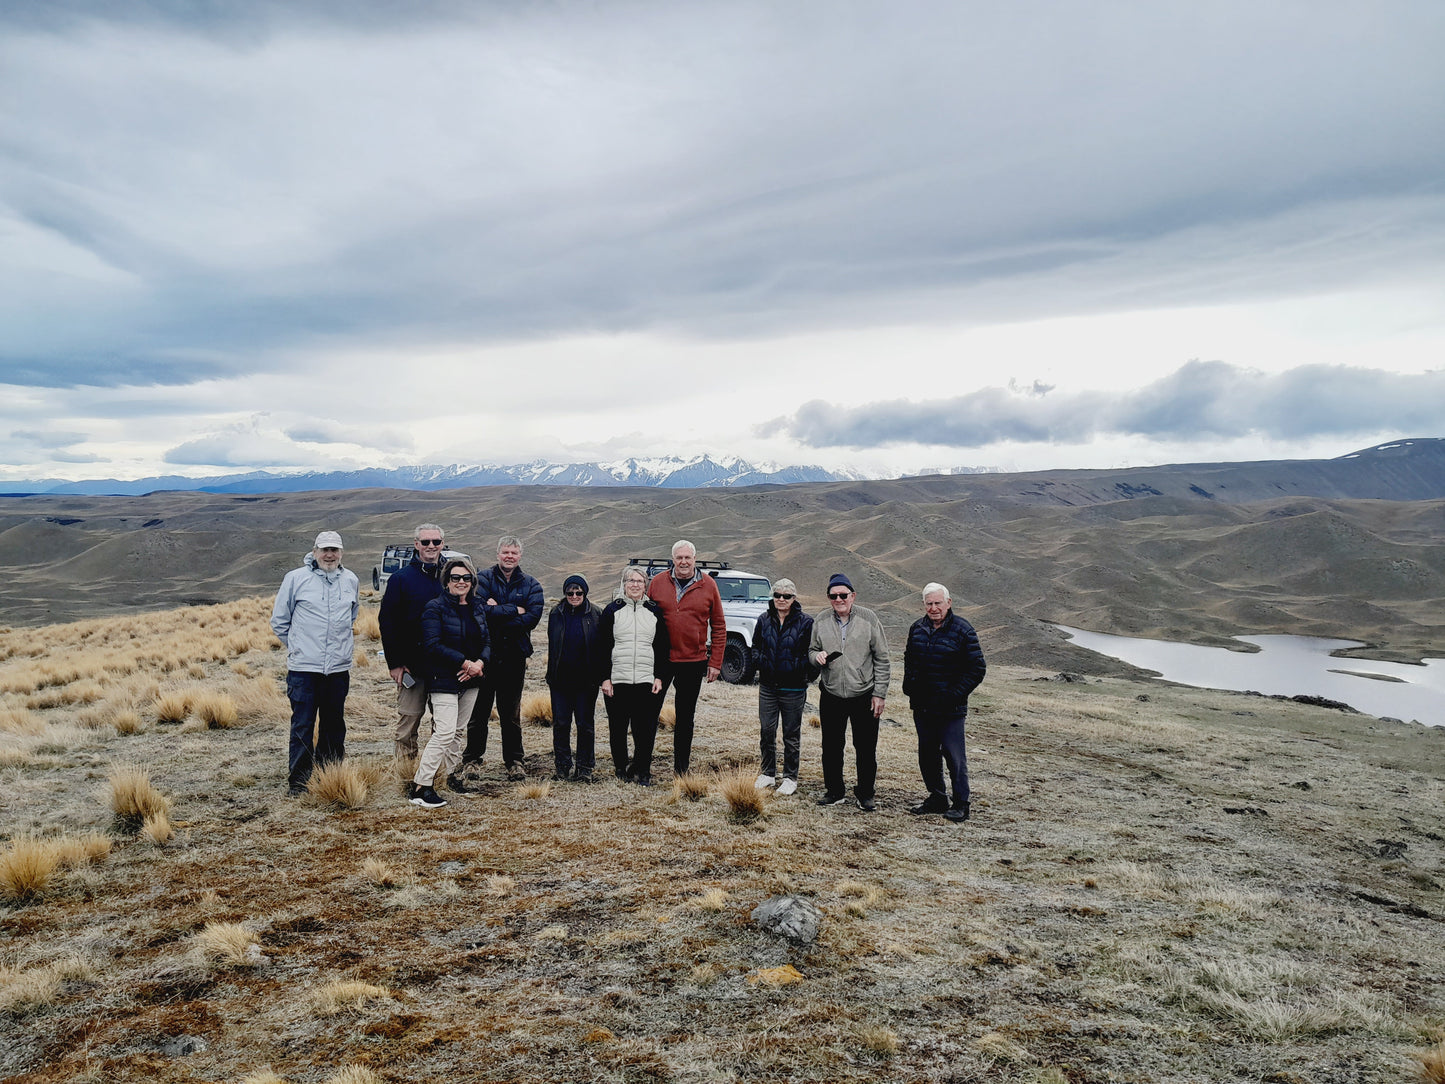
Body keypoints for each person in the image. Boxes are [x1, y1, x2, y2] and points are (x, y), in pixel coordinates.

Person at [270, 531, 360, 796]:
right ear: (315, 551)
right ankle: (299, 782)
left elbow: (351, 616)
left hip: (338, 669)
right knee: (303, 725)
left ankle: (329, 776)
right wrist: (300, 647)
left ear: (341, 552)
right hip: (303, 670)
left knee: (334, 724)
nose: (329, 555)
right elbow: (280, 620)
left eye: (334, 550)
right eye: (325, 550)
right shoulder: (296, 579)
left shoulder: (350, 580)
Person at [902, 582, 986, 823]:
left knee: (954, 756)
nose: (934, 608)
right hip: (923, 705)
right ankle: (937, 797)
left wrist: (955, 695)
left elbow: (977, 668)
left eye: (938, 603)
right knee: (927, 755)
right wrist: (909, 686)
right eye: (929, 603)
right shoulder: (916, 628)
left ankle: (961, 803)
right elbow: (909, 658)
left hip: (951, 709)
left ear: (948, 603)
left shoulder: (963, 630)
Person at [410, 557, 491, 809]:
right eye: (455, 577)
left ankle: (445, 777)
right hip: (443, 678)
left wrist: (479, 664)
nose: (461, 582)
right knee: (444, 731)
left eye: (466, 578)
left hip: (472, 679)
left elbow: (487, 641)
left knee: (458, 731)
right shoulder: (435, 607)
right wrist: (464, 663)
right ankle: (421, 787)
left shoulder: (478, 607)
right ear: (447, 580)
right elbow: (432, 645)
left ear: (472, 581)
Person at [463, 535, 544, 782]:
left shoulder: (532, 584)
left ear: (520, 556)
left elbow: (532, 618)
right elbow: (478, 611)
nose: (510, 556)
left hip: (514, 657)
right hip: (484, 657)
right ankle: (472, 761)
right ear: (498, 554)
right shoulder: (482, 579)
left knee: (511, 714)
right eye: (506, 552)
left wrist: (497, 610)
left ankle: (515, 761)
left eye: (514, 553)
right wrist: (513, 610)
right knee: (479, 712)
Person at [809, 573, 890, 811]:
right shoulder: (821, 620)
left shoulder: (869, 619)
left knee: (865, 747)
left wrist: (880, 693)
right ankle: (834, 791)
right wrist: (816, 657)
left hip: (863, 694)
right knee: (831, 746)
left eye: (843, 595)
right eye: (833, 596)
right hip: (831, 693)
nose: (838, 599)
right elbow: (812, 650)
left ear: (853, 596)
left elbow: (882, 658)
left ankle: (865, 793)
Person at [646, 539, 725, 776]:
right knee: (649, 714)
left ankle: (681, 771)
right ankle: (642, 767)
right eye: (679, 557)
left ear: (694, 559)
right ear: (673, 559)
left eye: (687, 558)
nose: (683, 562)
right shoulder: (658, 583)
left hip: (693, 661)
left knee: (685, 718)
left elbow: (719, 625)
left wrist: (716, 662)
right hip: (660, 661)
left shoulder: (708, 585)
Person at [377, 523, 447, 763]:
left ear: (442, 544)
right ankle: (406, 772)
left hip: (445, 665)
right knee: (409, 720)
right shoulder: (400, 579)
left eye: (436, 542)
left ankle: (439, 772)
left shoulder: (452, 577)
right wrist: (395, 663)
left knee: (444, 724)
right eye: (425, 542)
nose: (431, 546)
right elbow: (387, 622)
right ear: (416, 544)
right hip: (411, 666)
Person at [599, 566, 671, 786]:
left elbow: (662, 647)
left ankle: (643, 770)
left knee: (645, 728)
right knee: (618, 727)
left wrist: (659, 676)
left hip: (645, 680)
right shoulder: (612, 610)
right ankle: (621, 768)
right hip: (617, 680)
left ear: (645, 585)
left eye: (640, 581)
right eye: (631, 580)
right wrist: (605, 678)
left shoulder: (654, 611)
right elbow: (602, 647)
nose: (635, 584)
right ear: (624, 583)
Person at [751, 578, 814, 797]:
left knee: (791, 734)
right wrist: (761, 663)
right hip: (768, 686)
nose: (781, 599)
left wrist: (800, 671)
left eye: (786, 596)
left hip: (794, 689)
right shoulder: (763, 619)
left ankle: (789, 777)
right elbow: (755, 647)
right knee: (767, 730)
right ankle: (768, 773)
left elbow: (811, 653)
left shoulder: (806, 623)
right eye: (777, 595)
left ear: (794, 599)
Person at [545, 575, 607, 782]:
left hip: (586, 681)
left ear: (585, 593)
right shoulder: (556, 613)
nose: (574, 596)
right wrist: (551, 674)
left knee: (585, 724)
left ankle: (584, 768)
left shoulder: (596, 613)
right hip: (560, 681)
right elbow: (552, 646)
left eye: (578, 592)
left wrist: (600, 676)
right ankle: (562, 766)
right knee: (561, 724)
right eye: (570, 593)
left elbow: (602, 648)